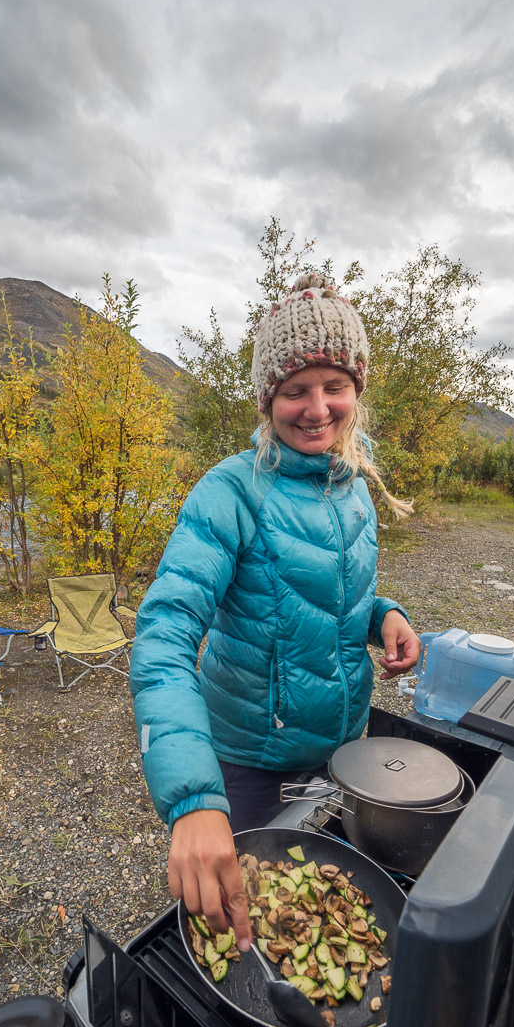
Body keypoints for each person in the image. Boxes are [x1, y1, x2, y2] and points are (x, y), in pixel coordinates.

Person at [129, 273, 420, 952]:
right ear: (268, 400)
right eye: (295, 390)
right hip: (251, 764)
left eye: (335, 385)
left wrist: (384, 617)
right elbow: (164, 637)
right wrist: (194, 802)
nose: (317, 408)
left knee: (319, 919)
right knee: (239, 933)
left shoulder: (352, 481)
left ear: (357, 391)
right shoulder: (231, 491)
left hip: (344, 748)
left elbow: (329, 596)